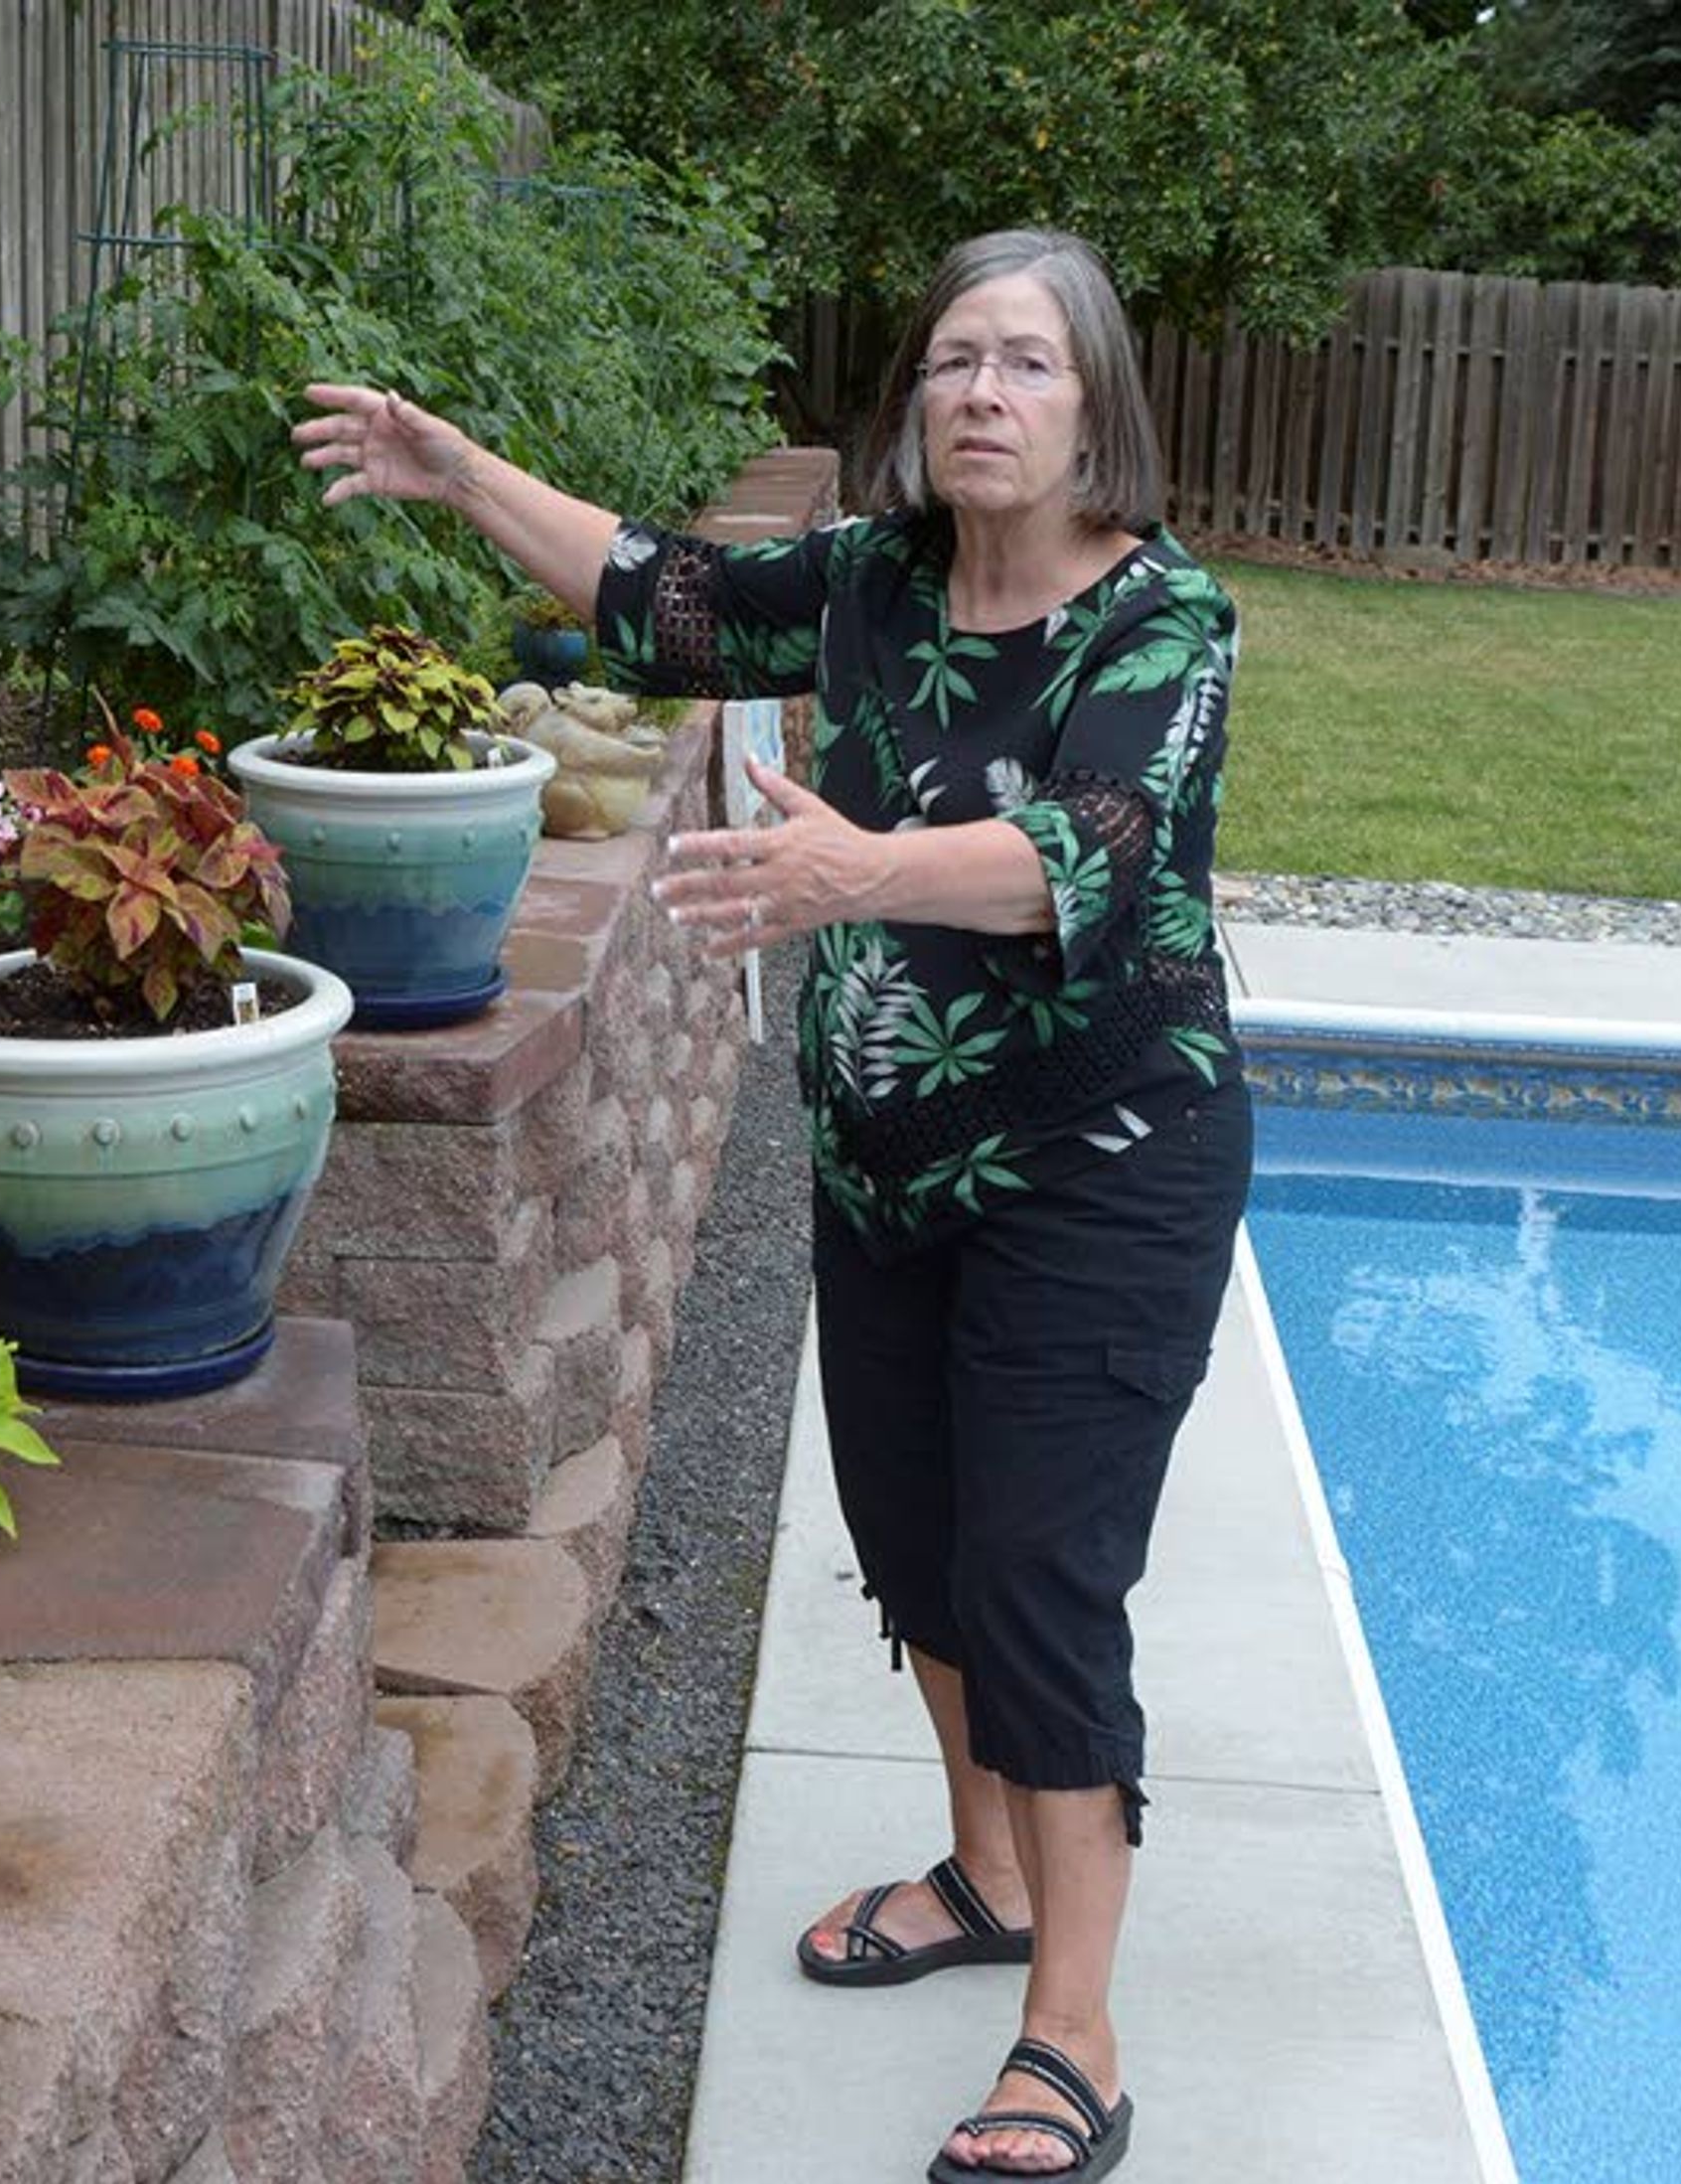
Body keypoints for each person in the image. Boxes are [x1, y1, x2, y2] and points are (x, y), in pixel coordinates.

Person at [294, 228, 1244, 2181]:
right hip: (893, 1171)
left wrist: (854, 871)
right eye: (955, 359)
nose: (983, 392)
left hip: (1104, 1168)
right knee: (915, 1540)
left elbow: (1100, 851)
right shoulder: (882, 587)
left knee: (1042, 1571)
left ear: (1097, 408)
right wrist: (462, 471)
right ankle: (984, 1873)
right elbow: (669, 600)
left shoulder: (1164, 620)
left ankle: (1072, 2028)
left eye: (1030, 364)